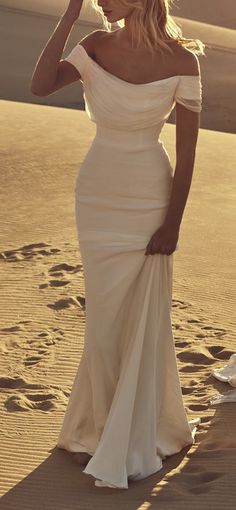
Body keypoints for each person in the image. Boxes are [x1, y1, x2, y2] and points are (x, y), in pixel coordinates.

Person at [30, 0, 204, 489]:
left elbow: (189, 152)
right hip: (98, 192)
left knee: (142, 311)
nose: (101, 0)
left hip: (148, 191)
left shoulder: (182, 60)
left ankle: (138, 427)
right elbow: (40, 86)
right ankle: (96, 426)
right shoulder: (94, 45)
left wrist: (173, 222)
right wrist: (68, 16)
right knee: (104, 318)